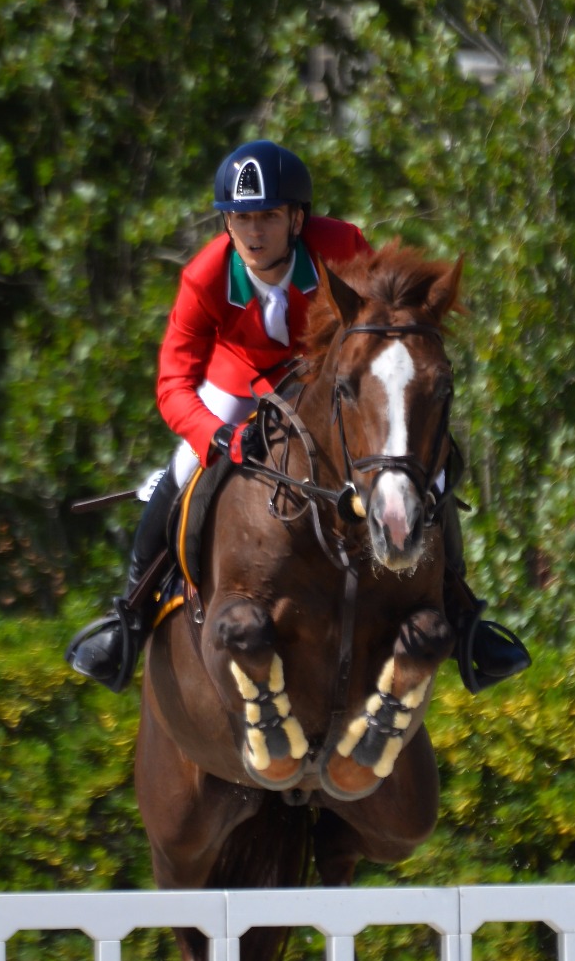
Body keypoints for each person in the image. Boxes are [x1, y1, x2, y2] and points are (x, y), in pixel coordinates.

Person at [67, 139, 529, 694]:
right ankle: (130, 617)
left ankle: (464, 616)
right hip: (239, 386)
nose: (253, 232)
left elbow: (382, 319)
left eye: (267, 216)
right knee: (184, 468)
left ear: (296, 219)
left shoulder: (341, 246)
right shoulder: (205, 276)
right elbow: (172, 385)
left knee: (420, 468)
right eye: (241, 218)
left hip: (320, 380)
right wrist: (216, 435)